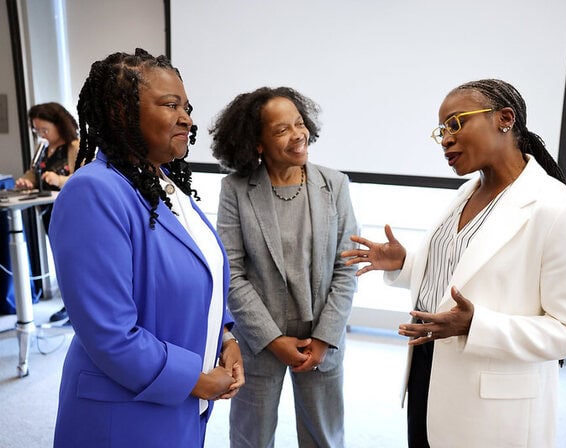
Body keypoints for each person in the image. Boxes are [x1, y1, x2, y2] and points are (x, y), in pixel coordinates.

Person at [342, 79, 566, 448]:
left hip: (491, 400)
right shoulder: (466, 193)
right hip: (428, 371)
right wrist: (406, 264)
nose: (446, 139)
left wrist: (476, 325)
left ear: (504, 119)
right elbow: (465, 277)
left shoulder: (560, 210)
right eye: (442, 130)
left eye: (457, 123)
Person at [48, 48, 244, 448]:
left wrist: (225, 338)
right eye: (171, 105)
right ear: (122, 112)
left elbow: (199, 275)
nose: (187, 118)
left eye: (186, 106)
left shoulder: (168, 186)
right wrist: (196, 379)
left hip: (177, 406)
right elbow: (109, 332)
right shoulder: (94, 191)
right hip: (123, 415)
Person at [210, 86, 358, 447]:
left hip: (320, 339)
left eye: (299, 123)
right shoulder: (235, 189)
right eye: (281, 130)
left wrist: (325, 339)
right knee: (251, 438)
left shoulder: (334, 184)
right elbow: (232, 272)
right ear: (257, 143)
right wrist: (273, 340)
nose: (298, 135)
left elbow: (347, 267)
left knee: (325, 436)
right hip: (259, 342)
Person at [15, 102, 80, 323]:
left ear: (58, 125)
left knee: (76, 261)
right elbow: (34, 172)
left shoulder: (75, 146)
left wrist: (58, 179)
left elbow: (83, 179)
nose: (41, 134)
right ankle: (69, 305)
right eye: (37, 130)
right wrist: (27, 180)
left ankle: (80, 309)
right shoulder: (43, 147)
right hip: (49, 211)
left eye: (44, 130)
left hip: (71, 213)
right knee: (60, 260)